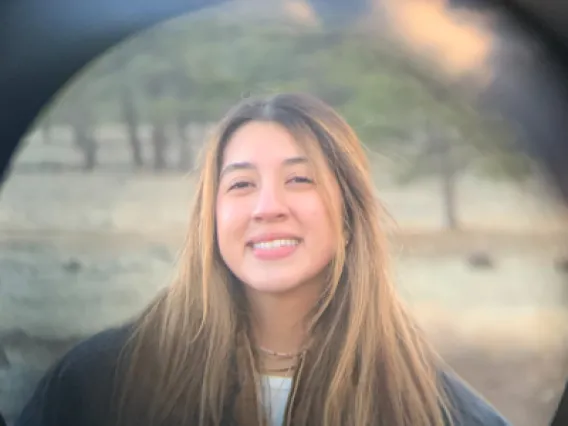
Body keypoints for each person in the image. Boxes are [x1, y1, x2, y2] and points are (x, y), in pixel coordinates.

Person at [15, 92, 510, 426]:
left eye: (300, 179)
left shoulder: (432, 409)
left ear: (349, 211)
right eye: (241, 185)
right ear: (211, 216)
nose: (268, 207)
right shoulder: (98, 384)